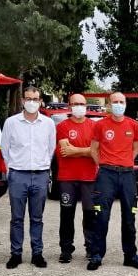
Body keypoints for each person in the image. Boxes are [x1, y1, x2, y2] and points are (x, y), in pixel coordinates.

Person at [88, 92, 138, 271]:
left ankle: (130, 255)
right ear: (109, 104)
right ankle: (97, 255)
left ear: (126, 104)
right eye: (115, 102)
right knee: (101, 216)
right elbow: (93, 150)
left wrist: (125, 162)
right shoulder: (100, 125)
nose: (118, 104)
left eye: (121, 102)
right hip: (106, 174)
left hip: (128, 175)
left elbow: (136, 147)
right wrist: (106, 165)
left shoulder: (133, 125)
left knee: (130, 216)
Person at [0, 86, 57, 269]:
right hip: (18, 175)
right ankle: (15, 254)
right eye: (28, 99)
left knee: (37, 218)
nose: (32, 102)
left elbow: (51, 149)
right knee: (17, 218)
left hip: (40, 175)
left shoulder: (48, 124)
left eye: (35, 99)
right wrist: (14, 169)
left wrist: (42, 167)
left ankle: (37, 253)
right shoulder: (11, 122)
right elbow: (5, 149)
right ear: (23, 100)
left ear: (40, 101)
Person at [55, 93, 97, 264]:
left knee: (90, 214)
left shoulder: (95, 126)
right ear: (69, 106)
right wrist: (88, 151)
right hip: (67, 178)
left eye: (81, 103)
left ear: (86, 105)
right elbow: (66, 150)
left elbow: (97, 153)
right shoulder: (62, 126)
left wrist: (78, 151)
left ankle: (91, 247)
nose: (78, 106)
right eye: (75, 103)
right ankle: (66, 249)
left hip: (90, 177)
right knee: (66, 214)